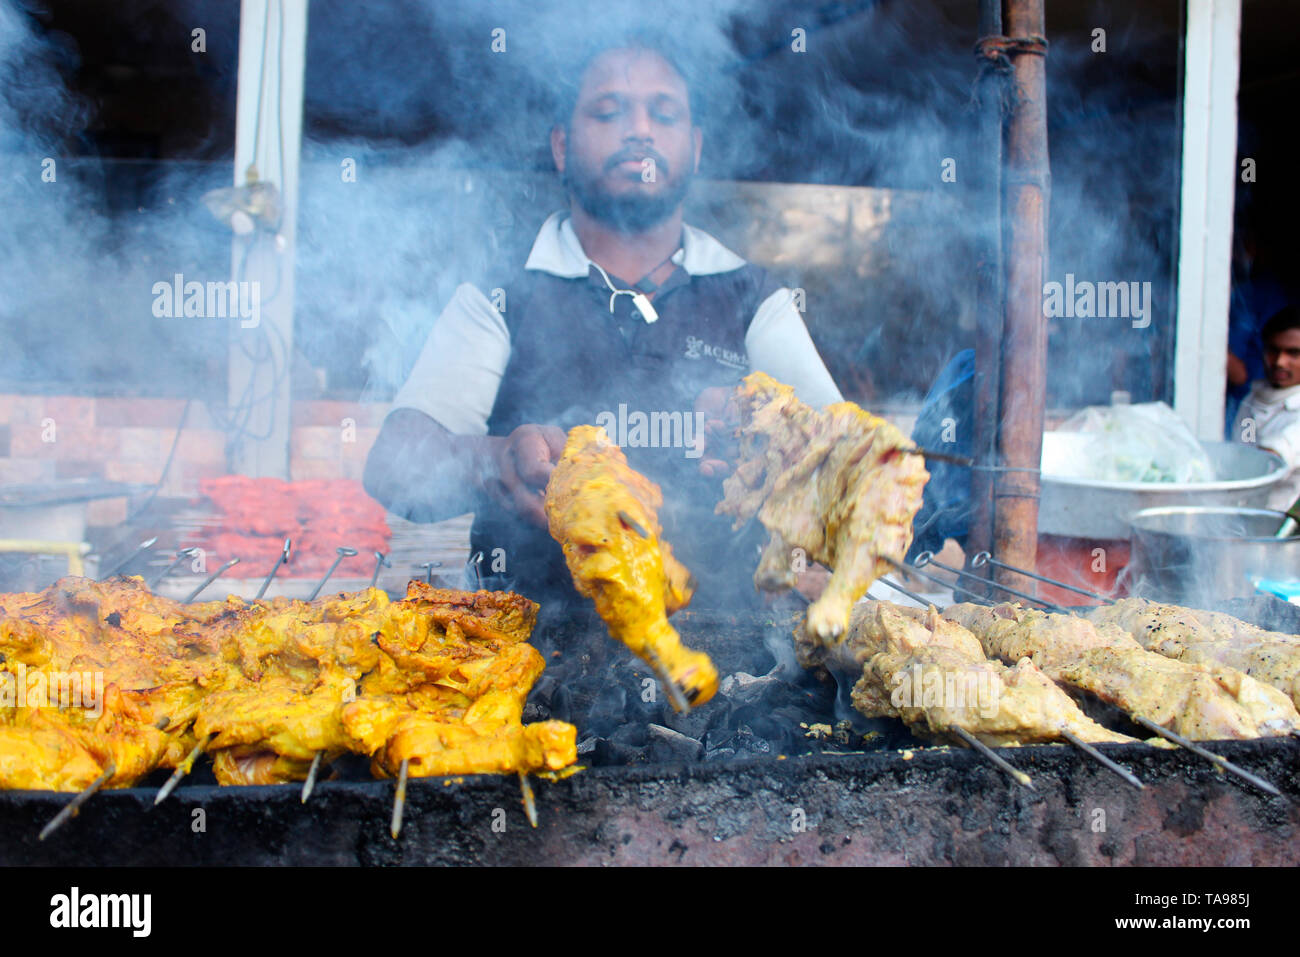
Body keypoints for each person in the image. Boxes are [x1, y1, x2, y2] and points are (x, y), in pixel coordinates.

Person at [364, 38, 842, 604]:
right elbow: (393, 465)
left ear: (694, 148)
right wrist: (493, 460)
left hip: (740, 661)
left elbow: (846, 468)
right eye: (608, 112)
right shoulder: (500, 293)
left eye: (662, 114)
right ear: (562, 147)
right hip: (522, 651)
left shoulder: (755, 296)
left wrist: (768, 440)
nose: (639, 131)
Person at [1233, 304, 1300, 511]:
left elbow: (1273, 457)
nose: (1280, 362)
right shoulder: (1253, 401)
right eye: (1273, 350)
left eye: (1294, 353)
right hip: (1246, 519)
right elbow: (1243, 450)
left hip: (1286, 531)